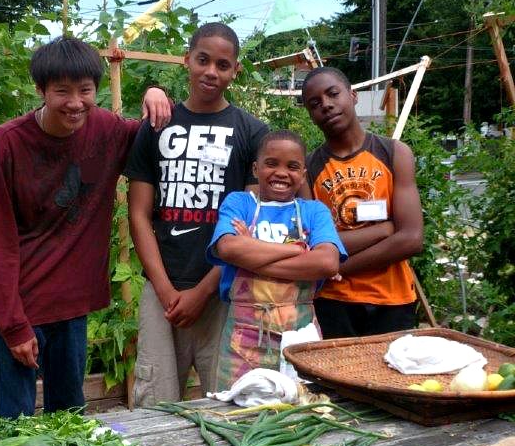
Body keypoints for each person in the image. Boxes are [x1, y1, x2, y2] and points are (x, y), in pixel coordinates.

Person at [0, 36, 172, 418]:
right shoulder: (7, 144)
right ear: (41, 90)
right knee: (11, 427)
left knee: (68, 421)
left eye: (85, 90)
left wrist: (155, 92)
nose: (75, 102)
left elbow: (153, 133)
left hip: (71, 309)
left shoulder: (106, 130)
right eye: (62, 91)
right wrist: (13, 325)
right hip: (19, 307)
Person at [124, 22, 269, 406]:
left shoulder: (252, 133)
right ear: (186, 60)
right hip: (162, 291)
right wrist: (165, 289)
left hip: (223, 292)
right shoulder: (156, 126)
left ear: (235, 71)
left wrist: (203, 292)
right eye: (203, 60)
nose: (211, 71)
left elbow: (250, 224)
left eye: (223, 65)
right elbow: (138, 214)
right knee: (155, 403)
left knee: (228, 402)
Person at [208, 130, 347, 389]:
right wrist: (298, 250)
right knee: (240, 408)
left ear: (303, 174)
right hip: (243, 343)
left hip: (300, 339)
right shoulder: (240, 203)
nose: (281, 173)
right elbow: (228, 248)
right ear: (255, 168)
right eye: (271, 163)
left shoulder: (313, 211)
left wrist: (250, 251)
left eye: (292, 167)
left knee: (299, 406)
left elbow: (327, 263)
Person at [302, 66, 424, 338]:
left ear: (353, 95)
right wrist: (384, 230)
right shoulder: (309, 169)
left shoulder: (394, 153)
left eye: (333, 94)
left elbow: (411, 239)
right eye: (315, 103)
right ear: (310, 114)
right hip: (334, 303)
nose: (326, 105)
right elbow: (314, 247)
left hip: (392, 300)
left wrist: (337, 267)